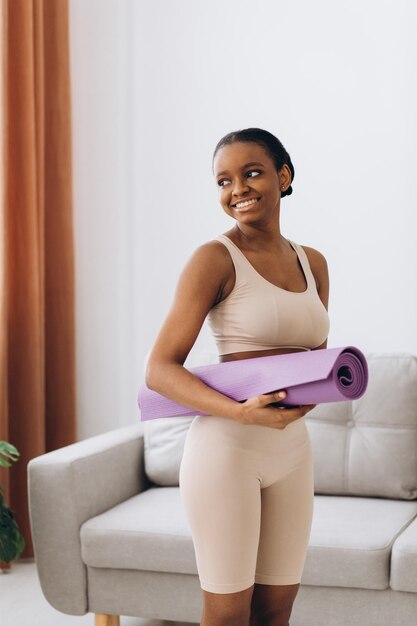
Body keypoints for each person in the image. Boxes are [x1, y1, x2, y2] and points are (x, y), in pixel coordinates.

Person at [145, 127, 330, 626]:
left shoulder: (313, 263)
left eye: (252, 173)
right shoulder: (214, 259)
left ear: (283, 176)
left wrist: (319, 392)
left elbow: (314, 358)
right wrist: (240, 413)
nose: (238, 190)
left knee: (276, 610)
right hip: (227, 449)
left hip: (294, 450)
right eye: (224, 181)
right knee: (228, 616)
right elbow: (159, 370)